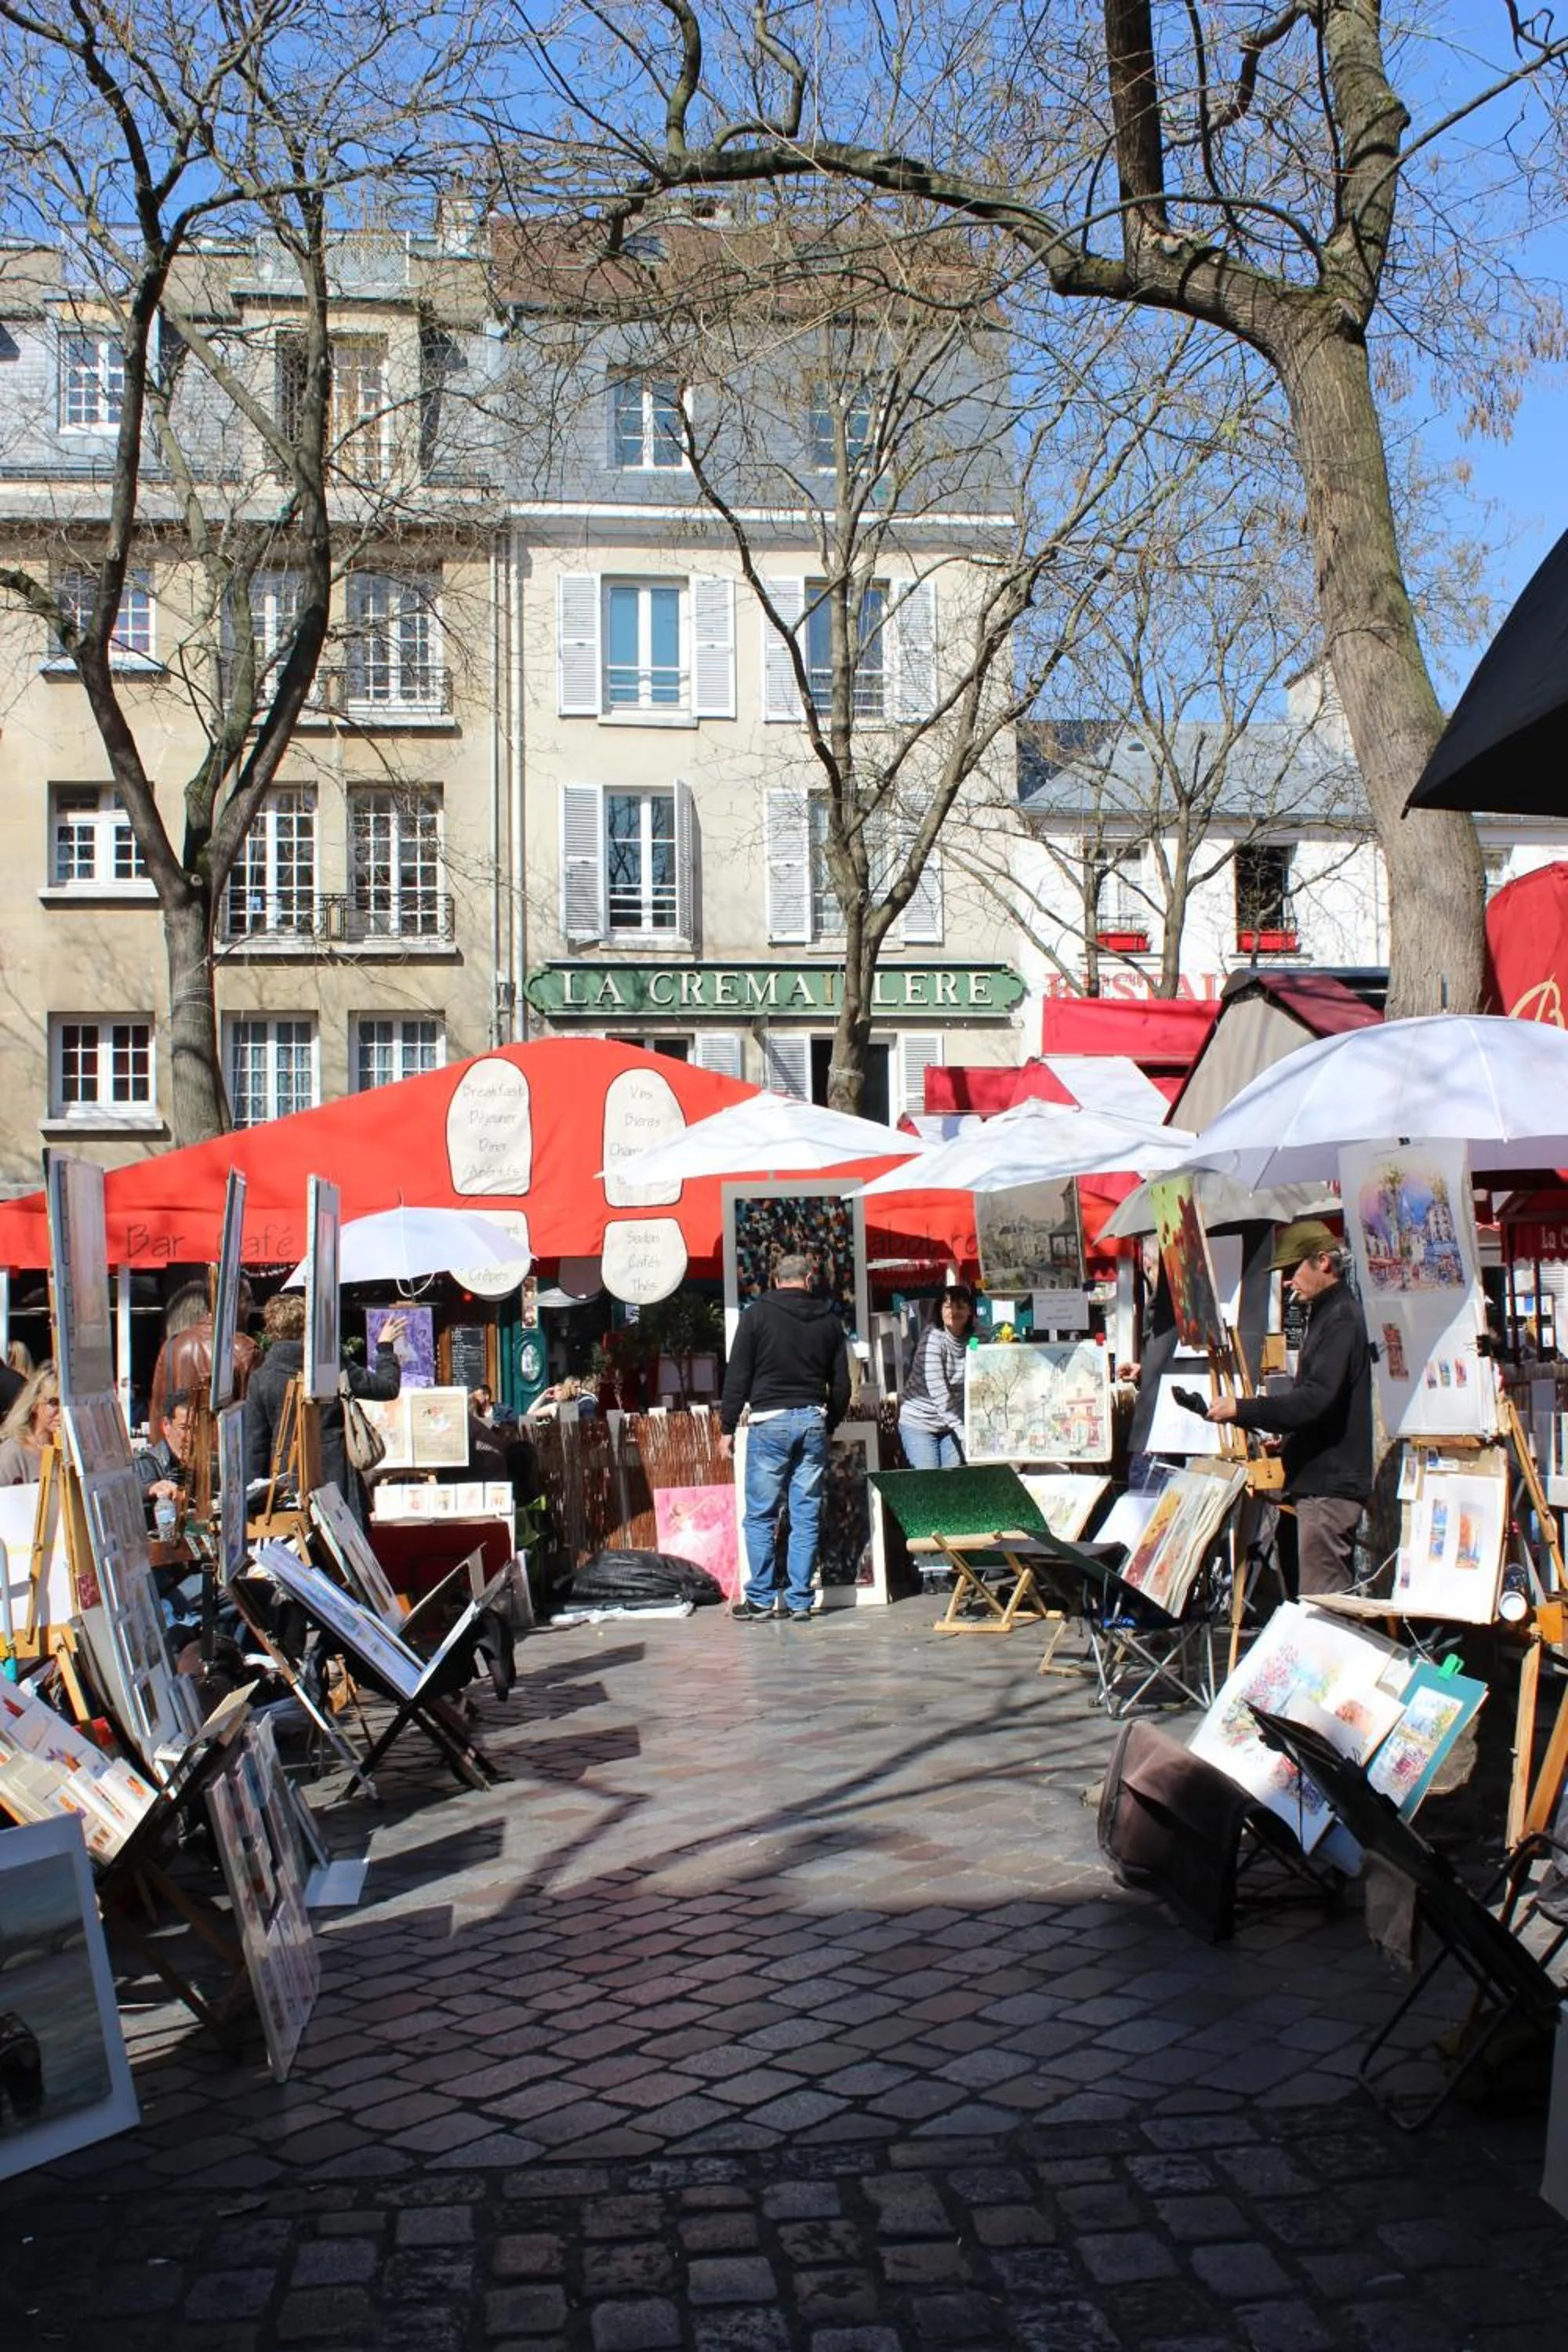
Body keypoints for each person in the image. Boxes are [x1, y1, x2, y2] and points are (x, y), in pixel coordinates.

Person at [1207, 1218, 1372, 1596]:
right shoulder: (1328, 1314)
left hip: (1330, 1486)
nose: (1286, 1281)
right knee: (1310, 1595)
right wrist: (1291, 1443)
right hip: (1318, 1479)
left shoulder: (1342, 1318)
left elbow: (1315, 1399)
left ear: (1323, 1262)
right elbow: (1324, 1404)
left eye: (1292, 1269)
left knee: (1323, 1601)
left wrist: (1242, 1409)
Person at [719, 1250, 852, 1623]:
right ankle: (799, 1601)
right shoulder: (829, 1320)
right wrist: (829, 1423)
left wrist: (727, 1427)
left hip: (769, 1422)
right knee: (805, 1516)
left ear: (775, 1281)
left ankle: (761, 1600)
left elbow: (737, 1377)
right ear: (809, 1279)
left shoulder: (756, 1315)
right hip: (811, 1418)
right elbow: (842, 1384)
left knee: (761, 1515)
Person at [244, 1294, 405, 1526]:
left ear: (272, 1330)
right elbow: (387, 1388)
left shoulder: (261, 1379)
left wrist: (254, 1503)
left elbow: (255, 1447)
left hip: (285, 1487)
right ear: (307, 1327)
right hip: (336, 1480)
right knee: (343, 1553)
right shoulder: (330, 1365)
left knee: (299, 1556)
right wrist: (385, 1347)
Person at [148, 1276, 259, 1443]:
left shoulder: (173, 1345)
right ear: (232, 1301)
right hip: (223, 1456)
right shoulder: (246, 1350)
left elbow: (157, 1410)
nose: (252, 1306)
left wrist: (159, 1458)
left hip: (177, 1453)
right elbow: (254, 1419)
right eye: (248, 1300)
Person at [897, 1286, 975, 1468]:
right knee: (930, 1479)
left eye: (960, 1307)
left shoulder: (974, 1337)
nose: (954, 1312)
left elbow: (979, 1363)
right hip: (919, 1422)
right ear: (940, 1309)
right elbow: (939, 1393)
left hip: (951, 1425)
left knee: (952, 1480)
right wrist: (963, 1433)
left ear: (970, 1311)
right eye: (948, 1306)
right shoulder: (933, 1338)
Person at [0, 1363, 60, 1486]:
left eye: (66, 1404)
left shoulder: (73, 1451)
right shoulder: (12, 1453)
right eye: (54, 1403)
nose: (63, 1412)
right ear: (34, 1405)